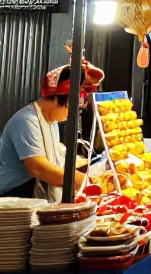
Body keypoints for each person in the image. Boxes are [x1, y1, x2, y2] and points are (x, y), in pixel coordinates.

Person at [0, 67, 87, 199]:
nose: (70, 114)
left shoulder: (50, 121)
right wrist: (84, 181)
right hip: (15, 192)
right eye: (71, 106)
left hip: (33, 188)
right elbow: (39, 168)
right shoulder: (27, 121)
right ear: (60, 100)